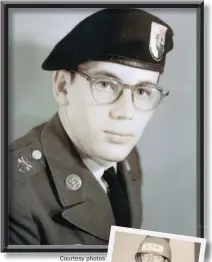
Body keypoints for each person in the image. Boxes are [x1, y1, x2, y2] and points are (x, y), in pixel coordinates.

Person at [8, 8, 174, 245]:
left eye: (143, 91)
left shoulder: (127, 160)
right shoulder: (13, 195)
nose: (126, 113)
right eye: (106, 84)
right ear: (63, 86)